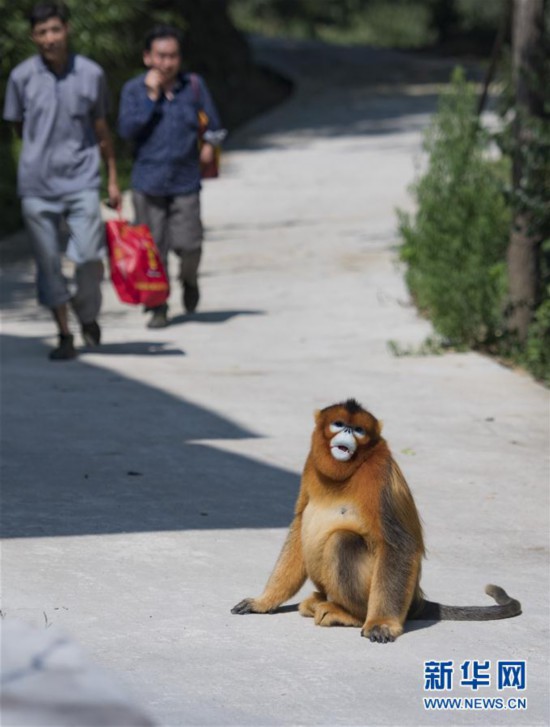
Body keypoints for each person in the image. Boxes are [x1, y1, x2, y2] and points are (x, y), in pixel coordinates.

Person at [3, 2, 121, 360]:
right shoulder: (20, 78)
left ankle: (87, 314)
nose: (49, 39)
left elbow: (101, 129)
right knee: (48, 263)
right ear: (33, 37)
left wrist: (112, 178)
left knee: (88, 256)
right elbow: (18, 127)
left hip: (82, 179)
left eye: (55, 30)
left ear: (67, 30)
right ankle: (64, 333)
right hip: (37, 185)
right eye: (41, 33)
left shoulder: (91, 74)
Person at [118, 25, 225, 329]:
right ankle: (158, 306)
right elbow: (127, 131)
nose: (167, 63)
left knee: (190, 244)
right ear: (147, 57)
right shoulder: (134, 90)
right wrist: (151, 97)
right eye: (161, 56)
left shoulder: (193, 86)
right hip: (147, 181)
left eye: (173, 56)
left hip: (185, 179)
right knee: (154, 250)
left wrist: (209, 146)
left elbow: (215, 125)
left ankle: (189, 280)